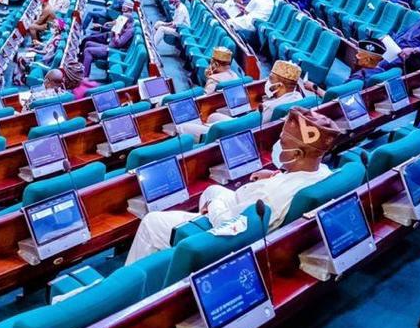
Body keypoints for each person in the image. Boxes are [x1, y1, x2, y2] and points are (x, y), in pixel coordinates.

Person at [125, 106, 340, 264]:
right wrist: (277, 174)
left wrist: (215, 205)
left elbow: (228, 224)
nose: (278, 145)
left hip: (232, 232)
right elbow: (293, 181)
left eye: (282, 142)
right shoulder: (323, 171)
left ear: (297, 154)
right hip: (249, 205)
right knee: (211, 189)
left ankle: (133, 293)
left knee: (152, 222)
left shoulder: (269, 196)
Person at [350, 0, 420, 82]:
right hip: (397, 49)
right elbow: (403, 34)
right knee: (364, 55)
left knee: (377, 63)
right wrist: (386, 40)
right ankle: (353, 80)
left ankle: (362, 81)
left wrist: (413, 50)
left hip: (411, 57)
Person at [82, 1, 135, 77]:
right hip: (109, 44)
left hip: (111, 49)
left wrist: (117, 34)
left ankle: (84, 75)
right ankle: (82, 67)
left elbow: (119, 43)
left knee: (88, 50)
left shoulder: (129, 31)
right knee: (87, 43)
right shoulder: (126, 26)